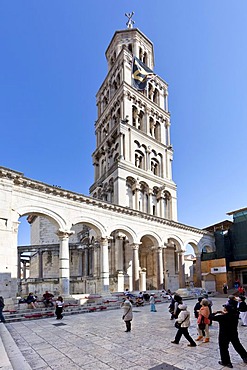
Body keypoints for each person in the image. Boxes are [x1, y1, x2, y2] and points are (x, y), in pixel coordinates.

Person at [211, 304, 247, 368]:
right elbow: (231, 314)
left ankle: (226, 362)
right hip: (233, 333)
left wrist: (215, 312)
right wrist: (224, 313)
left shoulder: (222, 317)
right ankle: (245, 357)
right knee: (238, 346)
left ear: (226, 310)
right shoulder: (235, 315)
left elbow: (210, 317)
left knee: (223, 348)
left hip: (224, 335)